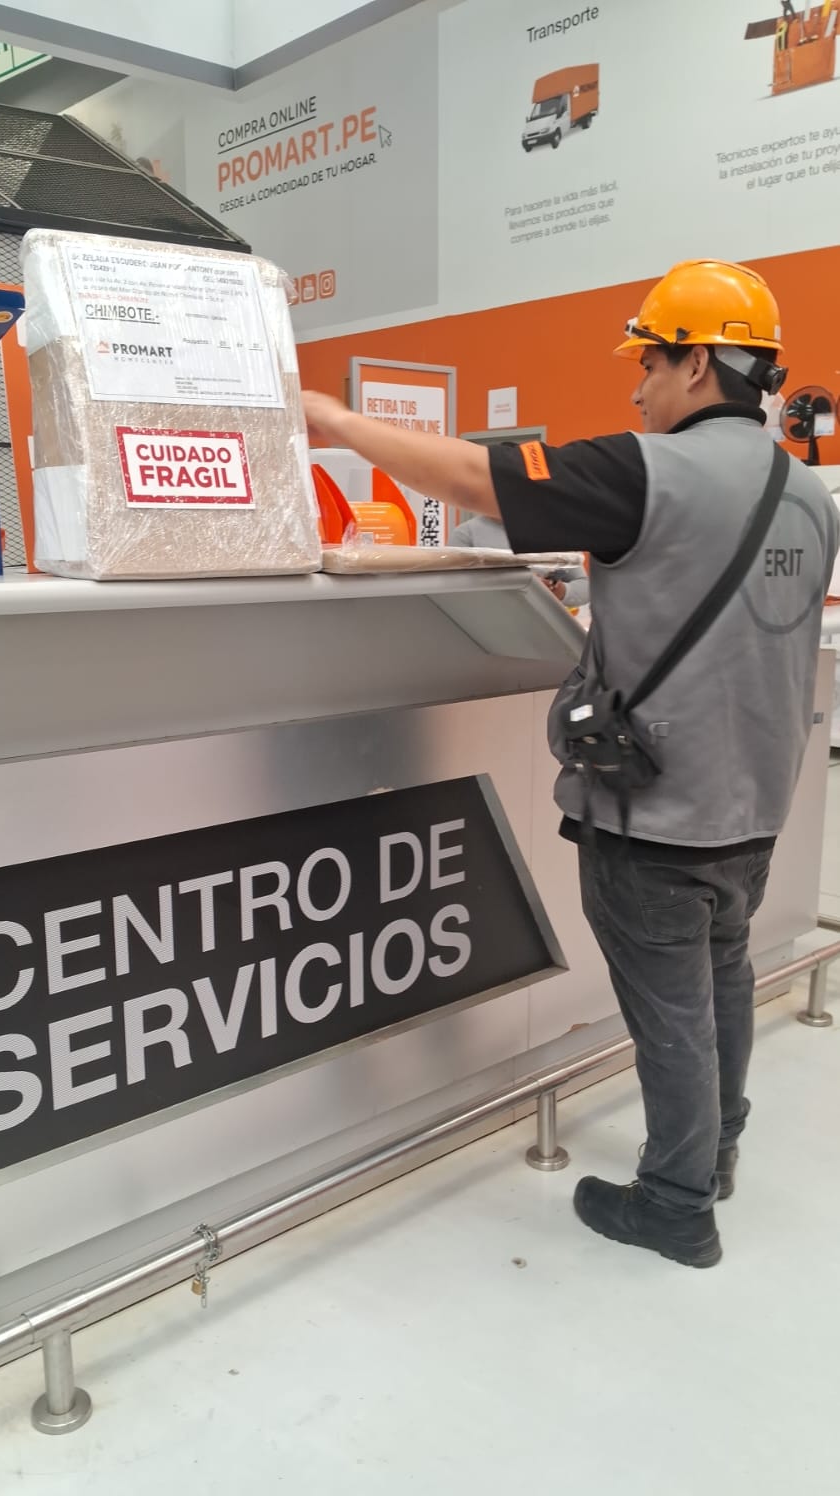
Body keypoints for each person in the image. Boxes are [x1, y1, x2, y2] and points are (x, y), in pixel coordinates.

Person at [303, 259, 840, 1269]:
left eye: (647, 363)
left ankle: (675, 1204)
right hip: (756, 806)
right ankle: (715, 1151)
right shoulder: (808, 491)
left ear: (693, 364)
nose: (636, 389)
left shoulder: (646, 470)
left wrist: (333, 420)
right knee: (721, 978)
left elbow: (475, 481)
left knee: (670, 1010)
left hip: (655, 814)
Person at [451, 513, 590, 606]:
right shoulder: (466, 533)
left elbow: (585, 586)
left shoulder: (555, 532)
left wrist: (559, 591)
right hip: (485, 620)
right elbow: (451, 587)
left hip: (542, 622)